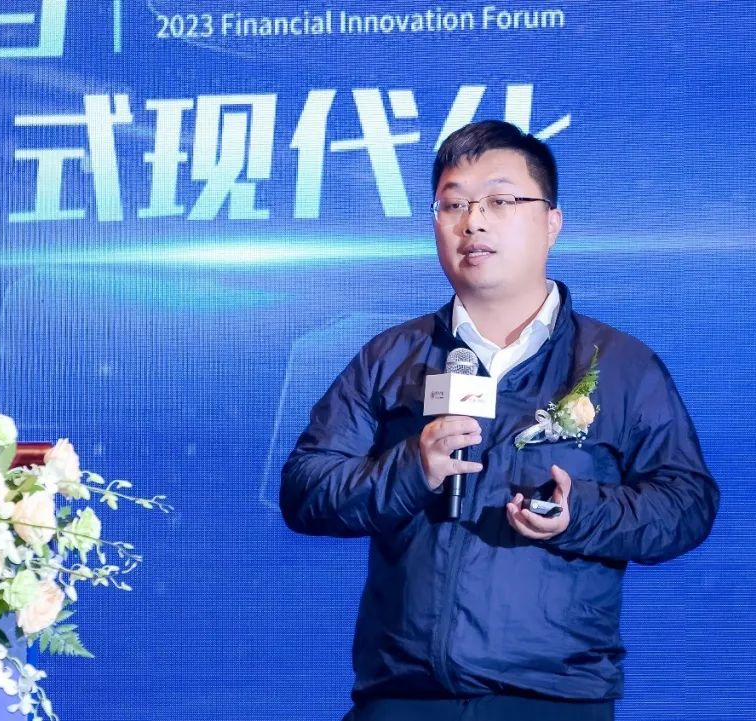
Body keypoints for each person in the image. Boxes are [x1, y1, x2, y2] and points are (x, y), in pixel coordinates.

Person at [280, 120, 719, 721]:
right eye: (453, 204)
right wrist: (412, 468)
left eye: (500, 201)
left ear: (551, 222)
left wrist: (581, 512)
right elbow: (306, 490)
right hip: (402, 696)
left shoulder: (618, 365)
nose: (473, 222)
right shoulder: (390, 357)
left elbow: (686, 503)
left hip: (551, 698)